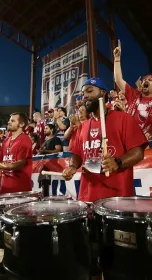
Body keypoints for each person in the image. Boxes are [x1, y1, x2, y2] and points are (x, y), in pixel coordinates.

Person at [61, 77, 148, 280]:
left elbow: (137, 153)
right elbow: (76, 154)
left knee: (118, 260)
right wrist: (72, 167)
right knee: (92, 254)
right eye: (83, 93)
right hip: (88, 199)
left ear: (104, 94)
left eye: (90, 91)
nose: (85, 97)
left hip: (117, 201)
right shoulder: (83, 127)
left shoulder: (123, 119)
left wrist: (117, 162)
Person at [0, 112, 33, 278]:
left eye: (13, 120)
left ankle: (22, 266)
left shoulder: (25, 140)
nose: (9, 122)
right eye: (9, 120)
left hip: (19, 191)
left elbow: (19, 164)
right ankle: (6, 264)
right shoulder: (7, 140)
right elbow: (0, 161)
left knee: (19, 231)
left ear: (22, 124)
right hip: (5, 190)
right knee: (7, 231)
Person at [114, 39, 152, 139]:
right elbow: (118, 80)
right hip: (128, 140)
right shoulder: (134, 95)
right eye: (144, 80)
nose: (145, 81)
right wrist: (117, 58)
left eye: (150, 80)